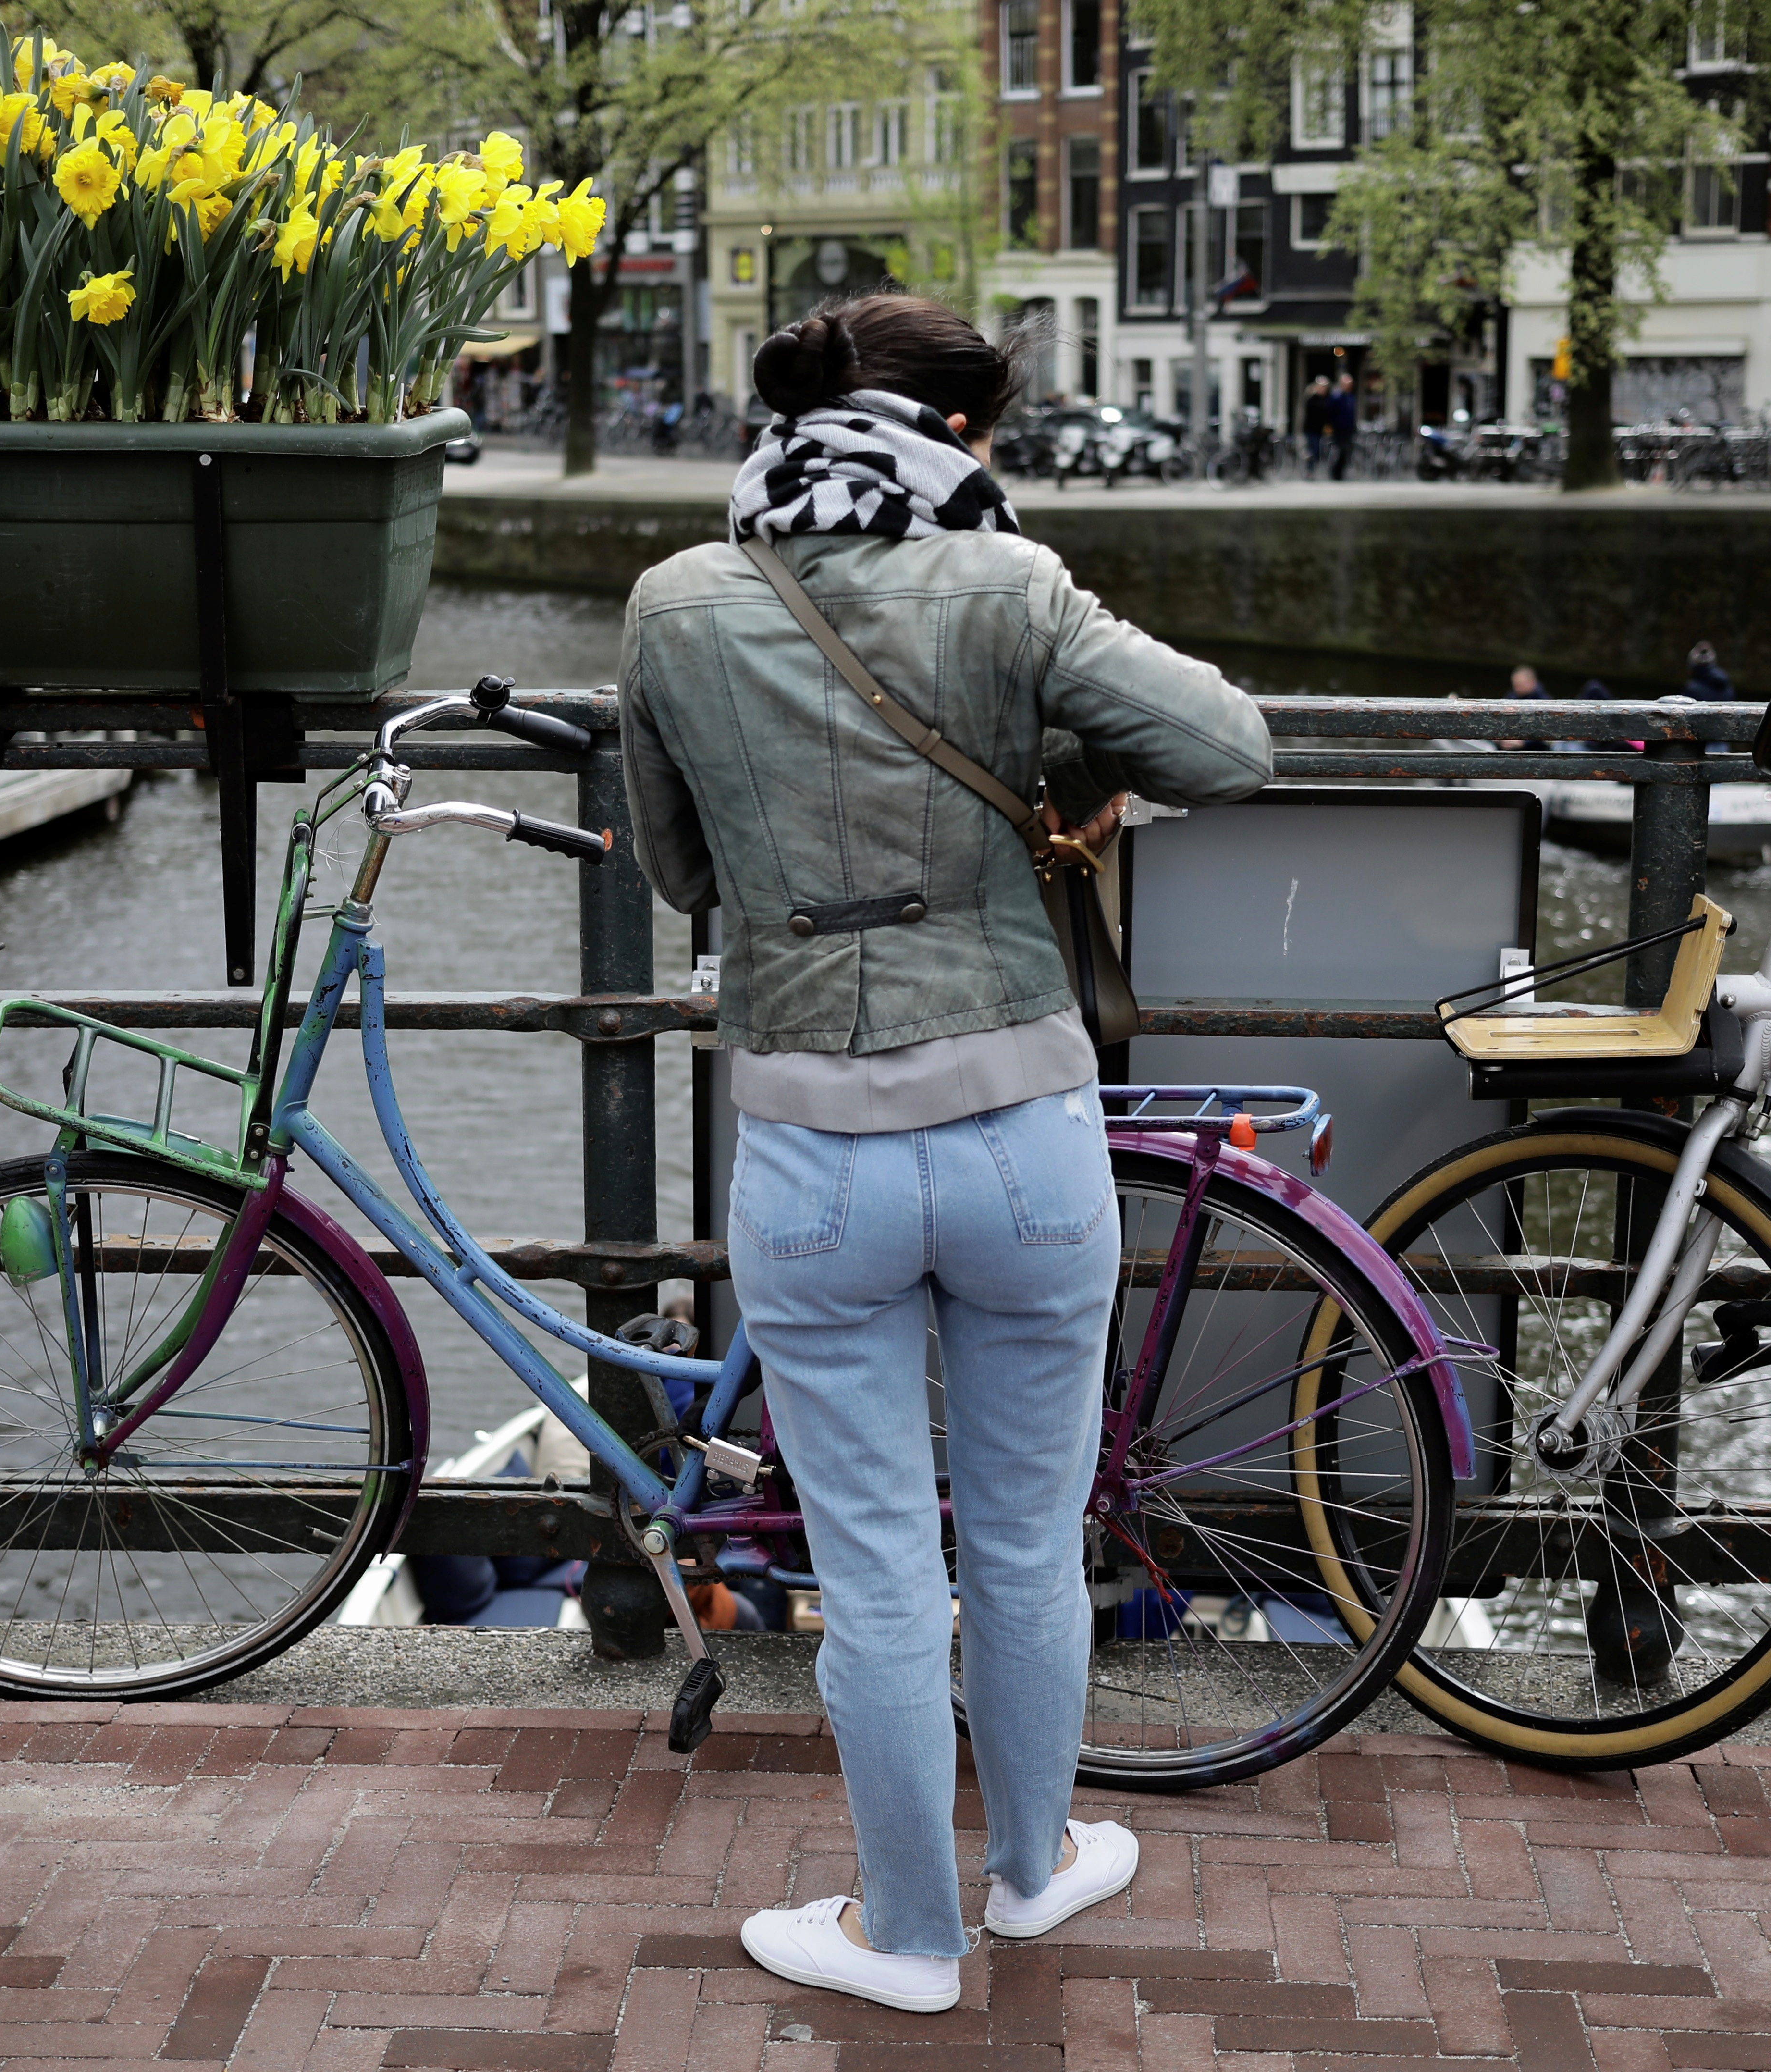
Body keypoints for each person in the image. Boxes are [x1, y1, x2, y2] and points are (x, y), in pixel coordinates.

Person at [621, 295, 1273, 2014]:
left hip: (814, 1148)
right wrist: (1053, 751)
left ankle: (905, 1939)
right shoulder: (1008, 584)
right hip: (1019, 1136)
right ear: (960, 436)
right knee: (1026, 1535)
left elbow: (680, 870)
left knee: (875, 1565)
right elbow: (1227, 747)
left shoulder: (681, 606)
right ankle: (1036, 1871)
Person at [1300, 375, 1332, 472]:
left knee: (1318, 451)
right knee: (1314, 449)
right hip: (1311, 429)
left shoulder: (1328, 399)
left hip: (1322, 430)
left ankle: (1311, 466)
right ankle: (1309, 469)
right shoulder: (1312, 399)